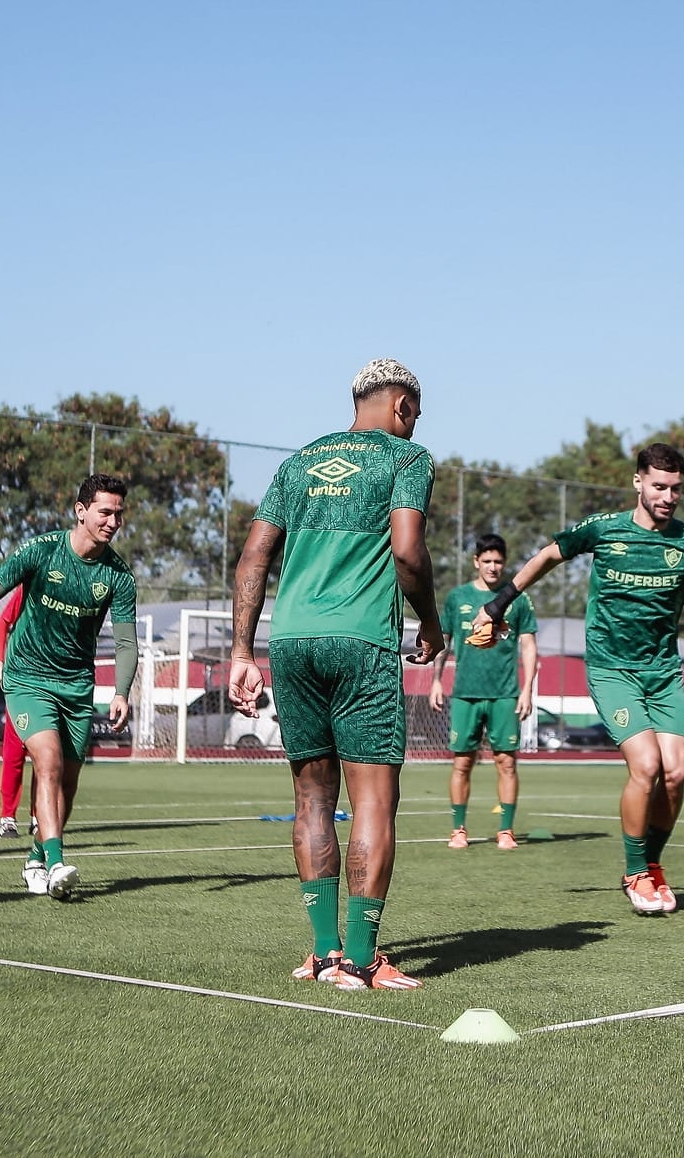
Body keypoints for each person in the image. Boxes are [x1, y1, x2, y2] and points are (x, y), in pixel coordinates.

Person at [473, 442, 684, 915]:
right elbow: (547, 556)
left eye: (676, 489)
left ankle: (653, 865)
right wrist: (499, 604)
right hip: (610, 669)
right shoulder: (604, 530)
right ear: (638, 482)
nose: (668, 496)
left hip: (663, 673)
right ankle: (634, 872)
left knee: (676, 773)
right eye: (659, 486)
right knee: (646, 767)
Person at [228, 359, 442, 992]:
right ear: (402, 406)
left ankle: (322, 954)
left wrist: (243, 652)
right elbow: (407, 550)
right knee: (374, 800)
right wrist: (430, 621)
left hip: (291, 641)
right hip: (360, 641)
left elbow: (254, 557)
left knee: (313, 800)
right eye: (416, 415)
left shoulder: (297, 464)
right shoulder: (408, 459)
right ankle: (362, 959)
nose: (415, 425)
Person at [0, 476, 140, 900]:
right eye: (105, 512)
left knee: (67, 785)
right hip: (28, 679)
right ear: (81, 511)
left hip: (77, 687)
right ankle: (57, 863)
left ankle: (37, 858)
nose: (113, 521)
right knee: (49, 762)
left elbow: (127, 643)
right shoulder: (41, 551)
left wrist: (122, 691)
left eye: (118, 513)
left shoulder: (119, 577)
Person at [428, 533, 539, 850]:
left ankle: (506, 830)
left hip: (505, 693)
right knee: (462, 762)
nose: (493, 567)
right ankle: (458, 830)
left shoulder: (517, 599)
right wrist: (437, 680)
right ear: (476, 562)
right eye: (487, 561)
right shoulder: (457, 597)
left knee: (507, 762)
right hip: (466, 693)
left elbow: (529, 645)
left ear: (505, 563)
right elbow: (443, 643)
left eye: (498, 561)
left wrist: (527, 689)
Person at [0, 584, 29, 838]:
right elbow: (0, 624)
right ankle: (7, 817)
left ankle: (40, 816)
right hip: (22, 681)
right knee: (15, 753)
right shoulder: (28, 588)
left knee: (47, 757)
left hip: (54, 683)